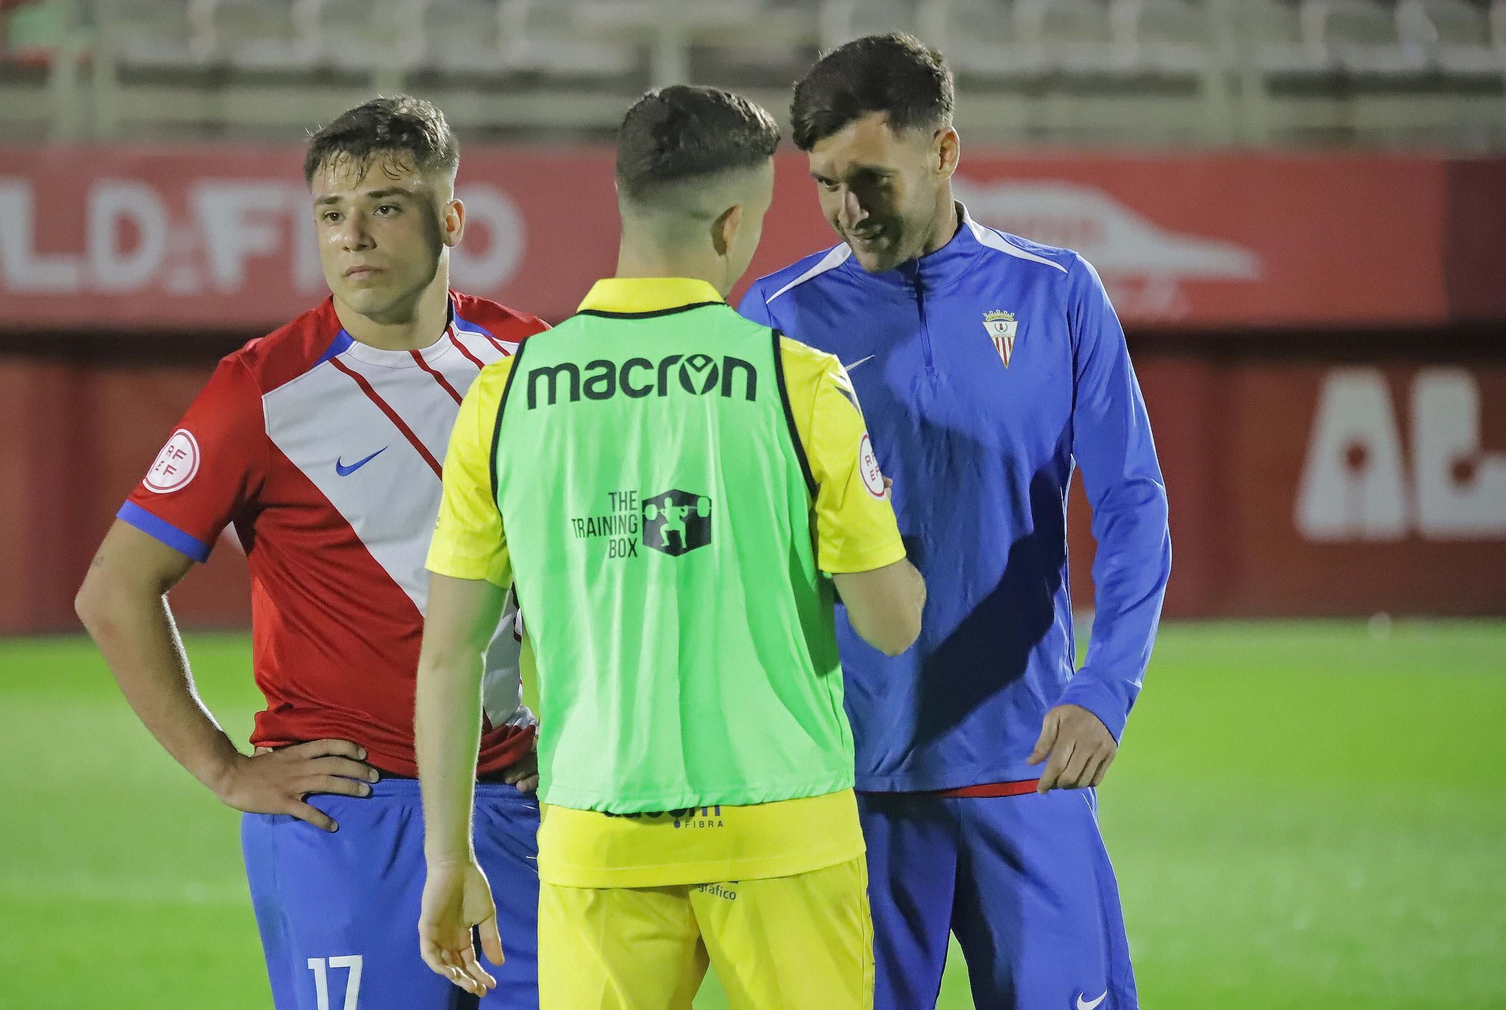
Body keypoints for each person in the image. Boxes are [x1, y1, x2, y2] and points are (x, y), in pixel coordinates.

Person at [412, 85, 926, 1010]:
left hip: (598, 832)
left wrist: (448, 857)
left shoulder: (507, 394)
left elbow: (450, 652)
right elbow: (891, 624)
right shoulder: (800, 383)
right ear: (732, 224)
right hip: (782, 833)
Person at [74, 96, 546, 1010]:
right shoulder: (258, 390)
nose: (354, 235)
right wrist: (222, 766)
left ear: (452, 219)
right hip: (349, 820)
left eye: (387, 206)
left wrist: (571, 738)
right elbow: (115, 590)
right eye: (332, 214)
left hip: (512, 804)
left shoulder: (532, 364)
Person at [739, 34, 1173, 1010]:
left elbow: (1133, 503)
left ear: (942, 154)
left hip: (1027, 774)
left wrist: (1106, 684)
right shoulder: (774, 316)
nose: (848, 210)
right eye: (824, 184)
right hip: (851, 784)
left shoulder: (1055, 293)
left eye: (872, 180)